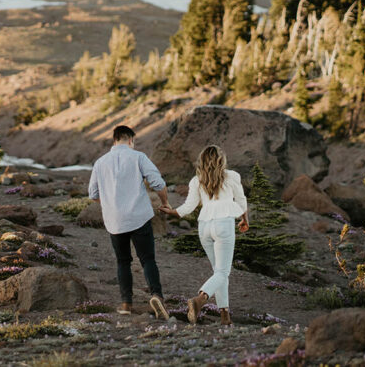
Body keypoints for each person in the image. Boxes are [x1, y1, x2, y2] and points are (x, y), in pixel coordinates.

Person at [160, 145, 248, 326]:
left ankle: (225, 316)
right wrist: (244, 218)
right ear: (221, 160)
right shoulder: (231, 176)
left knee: (219, 272)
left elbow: (189, 206)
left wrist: (172, 212)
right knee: (223, 272)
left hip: (204, 227)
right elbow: (241, 200)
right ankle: (199, 300)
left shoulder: (196, 181)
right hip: (223, 224)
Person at [88, 125, 170, 319]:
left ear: (114, 140)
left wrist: (109, 203)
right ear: (131, 140)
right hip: (138, 216)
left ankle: (126, 303)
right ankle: (157, 295)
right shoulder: (138, 157)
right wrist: (165, 202)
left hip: (114, 220)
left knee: (122, 261)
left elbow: (93, 194)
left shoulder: (100, 162)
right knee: (147, 259)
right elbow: (158, 183)